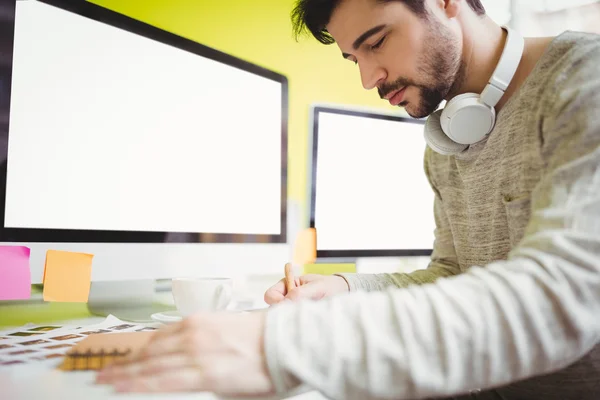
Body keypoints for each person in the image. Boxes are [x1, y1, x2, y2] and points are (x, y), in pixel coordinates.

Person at [95, 0, 600, 399]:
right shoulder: (448, 139)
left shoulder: (585, 78)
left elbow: (567, 294)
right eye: (353, 58)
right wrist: (342, 290)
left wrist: (286, 347)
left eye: (376, 42)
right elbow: (453, 272)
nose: (368, 79)